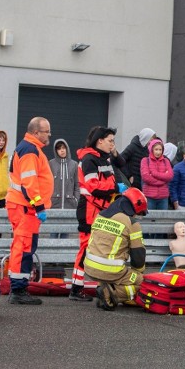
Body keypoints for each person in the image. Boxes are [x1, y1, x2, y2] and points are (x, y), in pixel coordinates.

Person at [5, 117, 54, 305]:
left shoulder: (29, 148)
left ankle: (18, 286)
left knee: (24, 246)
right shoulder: (30, 150)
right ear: (36, 132)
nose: (49, 134)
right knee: (24, 246)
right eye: (46, 131)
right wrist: (39, 205)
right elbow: (29, 182)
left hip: (24, 206)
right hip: (26, 207)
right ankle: (18, 289)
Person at [72, 126, 124, 300]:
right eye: (110, 141)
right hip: (88, 210)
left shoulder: (103, 159)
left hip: (100, 210)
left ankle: (89, 286)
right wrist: (116, 188)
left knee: (97, 249)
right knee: (86, 248)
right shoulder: (89, 160)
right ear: (99, 141)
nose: (113, 144)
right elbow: (93, 186)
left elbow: (121, 165)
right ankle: (76, 288)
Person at [84, 187, 148, 311]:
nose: (137, 216)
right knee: (145, 284)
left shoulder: (100, 215)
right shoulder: (132, 223)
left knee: (120, 275)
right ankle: (112, 295)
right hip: (110, 271)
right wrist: (139, 273)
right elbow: (138, 257)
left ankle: (105, 287)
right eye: (139, 214)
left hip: (90, 267)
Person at [140, 137, 173, 211]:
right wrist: (163, 180)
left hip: (163, 197)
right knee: (149, 220)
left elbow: (170, 176)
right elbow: (146, 177)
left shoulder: (166, 161)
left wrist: (154, 174)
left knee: (163, 220)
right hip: (149, 197)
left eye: (160, 150)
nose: (158, 152)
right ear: (151, 150)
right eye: (156, 149)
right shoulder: (145, 161)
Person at [49, 139, 79, 210]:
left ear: (67, 148)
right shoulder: (51, 164)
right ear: (56, 151)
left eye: (63, 148)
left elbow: (77, 185)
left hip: (70, 205)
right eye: (59, 149)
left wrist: (76, 200)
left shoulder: (74, 164)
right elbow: (47, 184)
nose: (62, 150)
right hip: (53, 205)